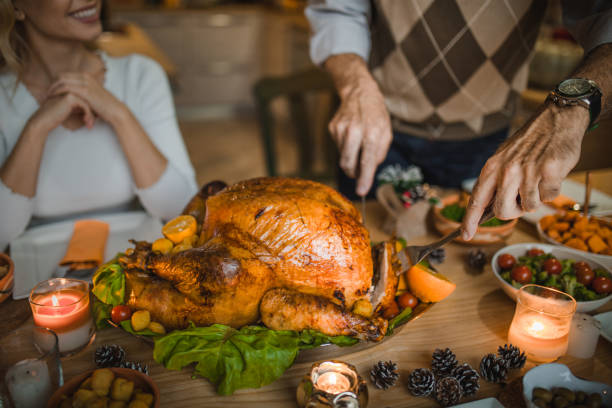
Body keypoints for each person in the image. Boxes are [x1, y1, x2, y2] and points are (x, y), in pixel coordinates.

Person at [305, 0, 612, 240]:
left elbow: (605, 17)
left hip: (486, 142)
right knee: (353, 239)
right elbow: (337, 10)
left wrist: (569, 108)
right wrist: (355, 83)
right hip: (376, 126)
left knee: (459, 258)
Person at [0, 0, 198, 250]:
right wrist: (36, 129)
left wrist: (119, 115)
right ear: (16, 6)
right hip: (34, 280)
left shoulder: (141, 75)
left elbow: (181, 209)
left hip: (136, 270)